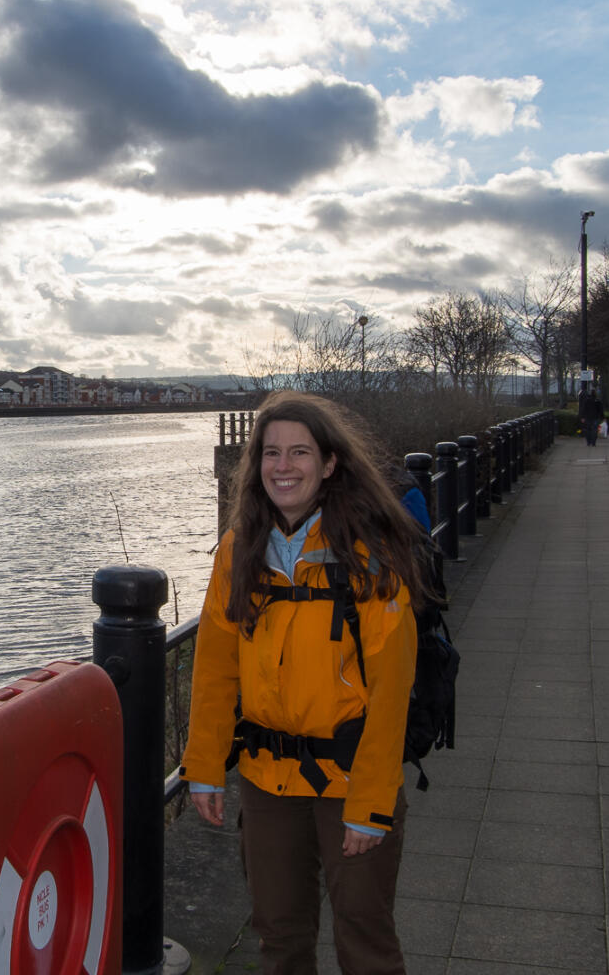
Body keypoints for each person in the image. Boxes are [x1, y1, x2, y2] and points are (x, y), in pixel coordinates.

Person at [180, 391, 426, 975]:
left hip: (351, 778)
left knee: (365, 941)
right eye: (270, 453)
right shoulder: (239, 552)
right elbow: (214, 670)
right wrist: (205, 767)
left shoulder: (369, 552)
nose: (282, 466)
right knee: (279, 939)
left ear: (330, 463)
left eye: (299, 452)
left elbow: (393, 691)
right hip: (268, 782)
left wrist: (371, 804)